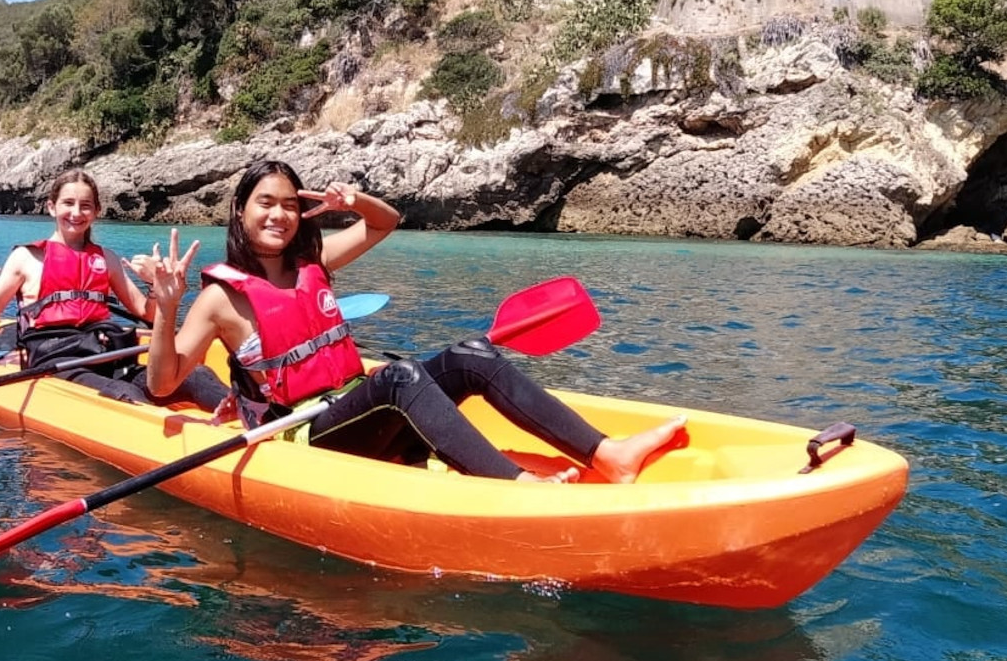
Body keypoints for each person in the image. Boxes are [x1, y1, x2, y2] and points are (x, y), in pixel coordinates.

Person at [137, 158, 683, 482]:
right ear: (240, 210)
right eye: (265, 203)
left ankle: (607, 454)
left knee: (470, 355)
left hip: (355, 410)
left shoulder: (313, 262)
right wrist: (167, 307)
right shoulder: (220, 298)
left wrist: (355, 200)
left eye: (289, 204)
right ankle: (516, 485)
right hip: (307, 435)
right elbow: (163, 383)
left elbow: (385, 223)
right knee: (400, 376)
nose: (279, 214)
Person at [0, 169, 227, 409]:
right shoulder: (27, 257)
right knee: (125, 393)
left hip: (107, 356)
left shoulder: (106, 259)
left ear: (96, 211)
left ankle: (244, 415)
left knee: (197, 376)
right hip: (59, 363)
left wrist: (155, 287)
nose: (76, 213)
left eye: (85, 205)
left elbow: (147, 313)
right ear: (52, 207)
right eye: (68, 203)